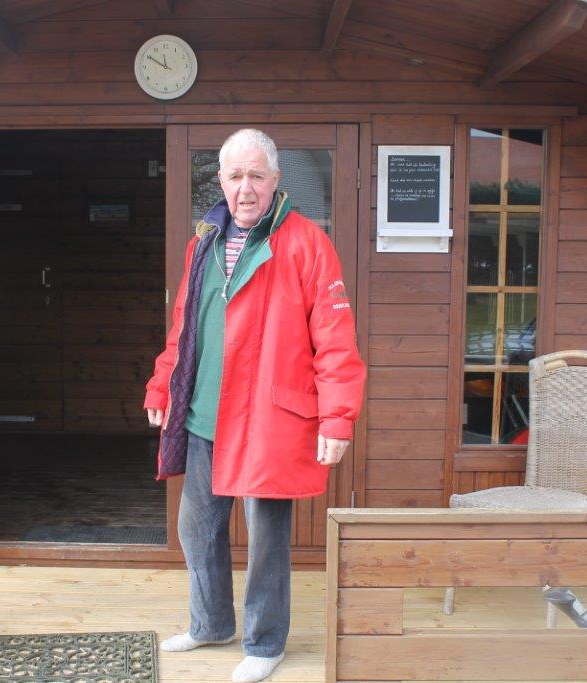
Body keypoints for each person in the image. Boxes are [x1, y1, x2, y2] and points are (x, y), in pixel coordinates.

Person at [144, 128, 365, 683]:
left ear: (275, 180)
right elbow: (184, 328)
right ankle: (211, 624)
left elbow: (335, 340)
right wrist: (162, 385)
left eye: (257, 176)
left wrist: (337, 417)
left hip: (269, 420)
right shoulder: (203, 242)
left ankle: (265, 642)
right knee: (197, 529)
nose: (245, 188)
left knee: (266, 540)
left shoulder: (308, 242)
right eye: (235, 176)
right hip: (204, 415)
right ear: (221, 181)